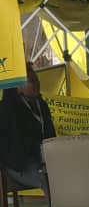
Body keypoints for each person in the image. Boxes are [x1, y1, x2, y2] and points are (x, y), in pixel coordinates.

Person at [0, 63, 56, 200]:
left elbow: (50, 134)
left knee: (67, 172)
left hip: (44, 159)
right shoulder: (7, 109)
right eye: (32, 81)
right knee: (46, 179)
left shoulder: (42, 104)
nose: (36, 84)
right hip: (20, 164)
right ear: (18, 87)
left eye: (37, 80)